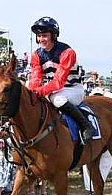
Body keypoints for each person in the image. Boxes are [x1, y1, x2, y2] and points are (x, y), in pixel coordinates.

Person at [29, 16, 94, 144]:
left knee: (57, 100)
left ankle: (86, 125)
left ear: (53, 35)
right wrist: (31, 92)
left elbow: (59, 81)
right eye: (39, 36)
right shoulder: (36, 55)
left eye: (44, 35)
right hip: (52, 90)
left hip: (73, 89)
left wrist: (39, 92)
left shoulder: (67, 52)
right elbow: (36, 78)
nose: (41, 39)